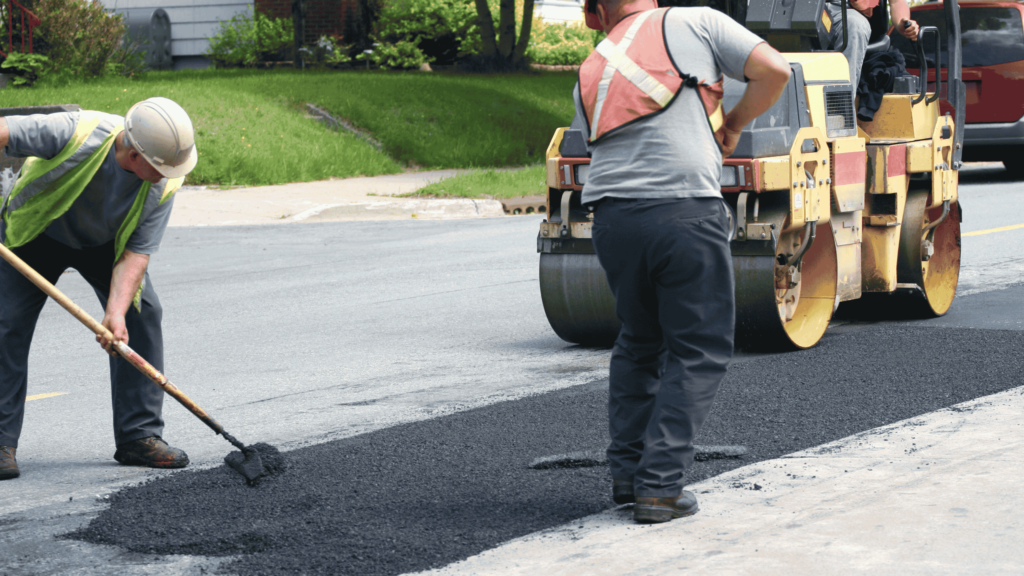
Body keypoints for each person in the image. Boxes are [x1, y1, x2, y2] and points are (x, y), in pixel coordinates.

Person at [574, 0, 791, 523]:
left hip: (613, 219)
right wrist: (735, 124)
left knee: (639, 340)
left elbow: (597, 146)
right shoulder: (697, 21)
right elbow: (776, 69)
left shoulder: (593, 66)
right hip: (684, 213)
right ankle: (659, 487)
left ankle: (628, 478)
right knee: (698, 348)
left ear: (596, 11)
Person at [0, 97, 198, 481]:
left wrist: (116, 312)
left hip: (108, 245)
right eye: (157, 167)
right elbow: (5, 130)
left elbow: (137, 252)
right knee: (5, 322)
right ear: (134, 152)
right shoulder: (77, 131)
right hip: (36, 232)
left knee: (142, 316)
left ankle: (138, 436)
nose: (164, 174)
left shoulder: (166, 179)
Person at [826, 0, 919, 90]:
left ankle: (842, 99)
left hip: (846, 15)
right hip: (815, 10)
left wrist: (901, 23)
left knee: (855, 25)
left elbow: (896, 1)